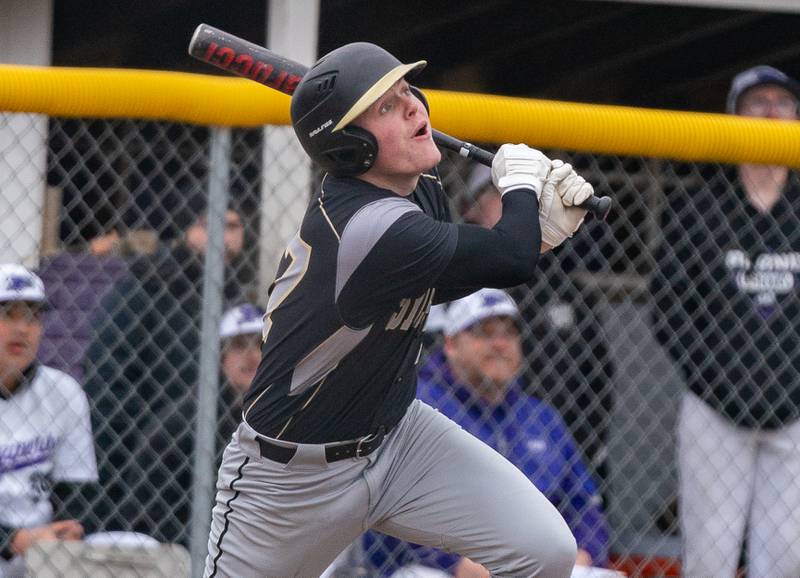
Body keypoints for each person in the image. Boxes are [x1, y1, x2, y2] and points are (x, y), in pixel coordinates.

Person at [203, 41, 595, 578]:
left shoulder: (415, 188)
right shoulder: (370, 226)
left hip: (399, 440)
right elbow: (507, 260)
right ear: (349, 148)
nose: (415, 107)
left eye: (407, 91)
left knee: (544, 551)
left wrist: (536, 236)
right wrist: (522, 187)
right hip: (289, 482)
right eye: (386, 107)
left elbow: (443, 280)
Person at [651, 64, 800, 578]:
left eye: (783, 103)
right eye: (758, 103)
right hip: (715, 409)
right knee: (709, 555)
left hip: (795, 411)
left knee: (785, 557)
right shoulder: (701, 208)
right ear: (734, 116)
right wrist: (715, 380)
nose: (772, 112)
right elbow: (668, 310)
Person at [363, 288, 610, 577]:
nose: (499, 344)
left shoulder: (542, 417)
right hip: (442, 567)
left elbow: (585, 507)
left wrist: (583, 556)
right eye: (484, 333)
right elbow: (386, 508)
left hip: (535, 563)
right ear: (451, 344)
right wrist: (458, 566)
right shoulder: (417, 405)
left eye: (509, 333)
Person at [83, 198, 244, 535]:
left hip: (207, 461)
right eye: (209, 224)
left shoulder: (234, 299)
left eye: (232, 227)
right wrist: (128, 459)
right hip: (140, 464)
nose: (222, 237)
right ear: (185, 231)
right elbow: (107, 376)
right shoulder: (147, 284)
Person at [458, 164, 614, 481]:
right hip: (465, 457)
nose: (514, 206)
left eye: (524, 196)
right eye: (499, 194)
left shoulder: (562, 288)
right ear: (470, 208)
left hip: (552, 462)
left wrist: (570, 455)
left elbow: (600, 380)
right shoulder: (455, 278)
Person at [137, 303, 264, 545]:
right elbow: (150, 513)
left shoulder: (292, 414)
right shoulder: (181, 422)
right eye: (240, 345)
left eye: (262, 345)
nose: (254, 355)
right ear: (220, 356)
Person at [0, 264, 98, 576]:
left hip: (43, 556)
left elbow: (77, 491)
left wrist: (61, 536)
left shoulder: (64, 393)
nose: (22, 328)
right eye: (9, 314)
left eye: (32, 316)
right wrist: (14, 540)